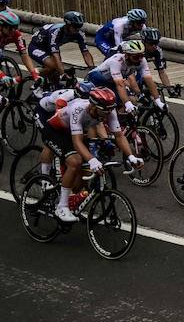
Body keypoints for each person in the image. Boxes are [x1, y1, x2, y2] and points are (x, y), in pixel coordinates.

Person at [42, 86, 142, 222]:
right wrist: (92, 159)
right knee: (75, 161)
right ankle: (61, 206)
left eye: (109, 110)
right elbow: (77, 142)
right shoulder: (79, 110)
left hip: (75, 133)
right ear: (93, 106)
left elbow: (119, 136)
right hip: (55, 131)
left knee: (82, 175)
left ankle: (67, 193)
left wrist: (131, 157)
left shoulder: (108, 110)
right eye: (104, 111)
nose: (108, 114)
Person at [85, 39, 164, 113]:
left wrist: (158, 101)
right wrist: (127, 103)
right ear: (127, 55)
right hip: (97, 79)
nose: (139, 59)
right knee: (109, 102)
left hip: (111, 82)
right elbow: (120, 85)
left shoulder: (142, 60)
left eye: (141, 55)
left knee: (133, 100)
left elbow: (149, 80)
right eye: (136, 57)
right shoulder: (116, 61)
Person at [27, 12, 96, 81]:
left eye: (79, 26)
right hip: (36, 47)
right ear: (68, 25)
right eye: (75, 27)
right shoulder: (55, 32)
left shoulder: (79, 34)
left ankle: (49, 84)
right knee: (55, 66)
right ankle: (36, 72)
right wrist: (62, 73)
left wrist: (92, 69)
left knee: (57, 72)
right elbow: (55, 55)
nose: (77, 29)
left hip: (49, 48)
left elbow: (85, 53)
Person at [0, 9, 39, 84]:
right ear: (0, 27)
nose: (13, 30)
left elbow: (24, 55)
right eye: (10, 28)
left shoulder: (16, 34)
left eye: (15, 27)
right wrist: (2, 76)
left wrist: (34, 74)